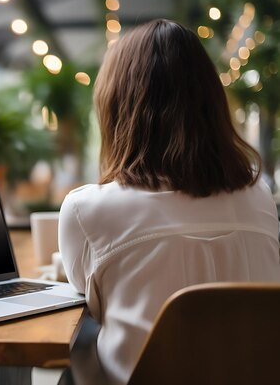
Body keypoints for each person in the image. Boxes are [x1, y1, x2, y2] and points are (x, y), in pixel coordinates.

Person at [58, 19, 280, 385]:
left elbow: (90, 301)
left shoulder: (87, 210)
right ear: (211, 104)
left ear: (116, 109)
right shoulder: (259, 199)